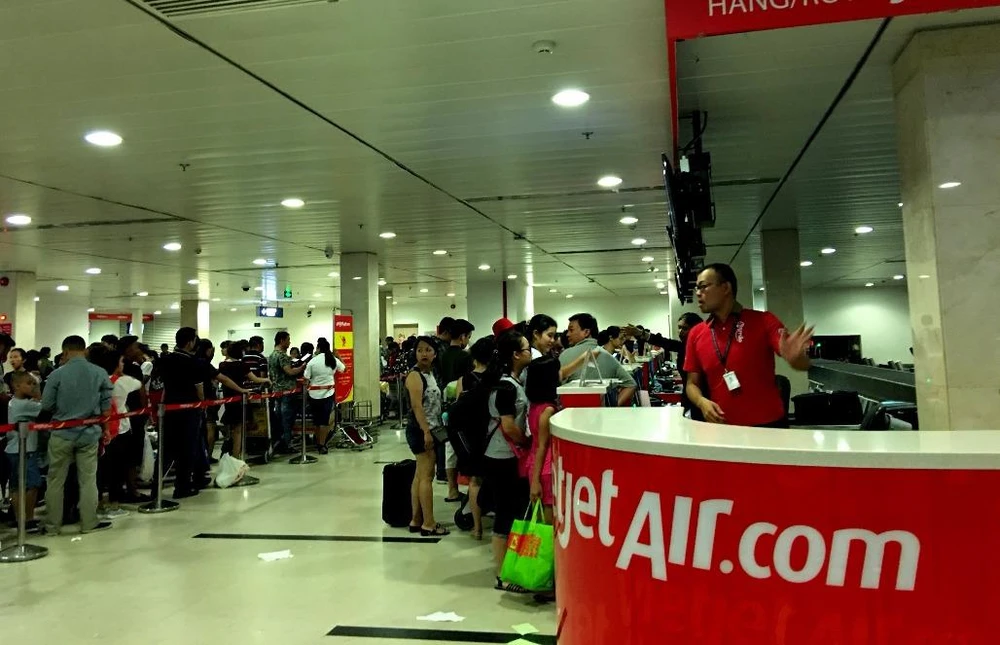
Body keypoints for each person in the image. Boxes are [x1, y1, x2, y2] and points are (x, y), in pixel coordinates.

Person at [684, 263, 813, 428]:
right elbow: (691, 384)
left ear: (726, 288)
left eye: (703, 287)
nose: (698, 293)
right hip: (723, 427)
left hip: (769, 426)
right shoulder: (696, 333)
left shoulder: (764, 321)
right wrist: (702, 402)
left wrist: (797, 358)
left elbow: (798, 361)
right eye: (697, 288)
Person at [41, 335, 114, 535]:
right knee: (88, 480)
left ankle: (52, 526)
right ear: (84, 350)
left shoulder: (57, 374)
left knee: (55, 481)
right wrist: (105, 428)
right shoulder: (100, 373)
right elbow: (106, 407)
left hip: (61, 433)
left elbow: (47, 405)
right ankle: (89, 523)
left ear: (65, 352)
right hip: (89, 434)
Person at [483, 330, 532, 589]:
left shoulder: (511, 382)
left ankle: (509, 568)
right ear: (515, 355)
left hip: (506, 456)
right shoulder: (506, 387)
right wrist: (527, 442)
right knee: (505, 512)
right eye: (526, 349)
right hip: (502, 457)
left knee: (511, 511)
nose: (530, 352)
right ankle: (502, 574)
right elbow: (509, 426)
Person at [405, 336, 449, 537]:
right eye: (420, 350)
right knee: (426, 477)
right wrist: (426, 432)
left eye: (428, 350)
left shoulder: (430, 374)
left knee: (419, 475)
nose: (424, 353)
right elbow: (417, 407)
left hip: (430, 429)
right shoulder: (415, 376)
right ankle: (429, 523)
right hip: (421, 431)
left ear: (435, 353)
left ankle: (416, 520)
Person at [453, 336, 495, 540]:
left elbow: (458, 408)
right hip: (493, 433)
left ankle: (477, 528)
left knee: (475, 481)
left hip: (471, 436)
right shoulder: (497, 378)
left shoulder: (465, 380)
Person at [88, 345, 135, 519]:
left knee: (102, 469)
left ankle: (100, 502)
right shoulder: (118, 381)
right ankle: (113, 504)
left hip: (103, 429)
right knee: (116, 469)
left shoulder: (97, 380)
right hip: (117, 430)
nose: (123, 365)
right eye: (121, 362)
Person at [559, 313, 637, 407]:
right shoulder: (609, 357)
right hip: (601, 414)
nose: (567, 334)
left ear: (586, 332)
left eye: (571, 330)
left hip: (571, 412)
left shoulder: (565, 354)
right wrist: (612, 407)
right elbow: (631, 384)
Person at [218, 342, 270, 458]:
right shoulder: (242, 365)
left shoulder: (222, 365)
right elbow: (255, 379)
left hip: (227, 399)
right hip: (239, 398)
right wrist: (266, 379)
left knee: (229, 429)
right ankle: (236, 456)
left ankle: (226, 453)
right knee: (238, 430)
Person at [5, 371, 42, 530]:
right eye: (29, 383)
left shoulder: (13, 403)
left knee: (16, 486)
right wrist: (38, 388)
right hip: (26, 450)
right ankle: (28, 518)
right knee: (33, 484)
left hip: (12, 450)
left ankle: (19, 518)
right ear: (17, 386)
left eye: (34, 383)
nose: (32, 386)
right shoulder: (25, 405)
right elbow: (45, 406)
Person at [268, 331, 312, 454]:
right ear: (282, 340)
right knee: (287, 420)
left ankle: (278, 444)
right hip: (287, 392)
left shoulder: (272, 355)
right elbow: (290, 372)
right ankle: (286, 445)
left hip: (277, 391)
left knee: (279, 419)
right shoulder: (282, 356)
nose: (289, 342)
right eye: (288, 340)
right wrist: (302, 367)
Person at [303, 338, 345, 454]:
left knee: (316, 421)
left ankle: (318, 442)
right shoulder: (332, 360)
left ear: (318, 348)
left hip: (313, 395)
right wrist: (338, 356)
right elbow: (344, 369)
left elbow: (306, 379)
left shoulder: (312, 361)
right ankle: (322, 444)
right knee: (324, 421)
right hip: (328, 394)